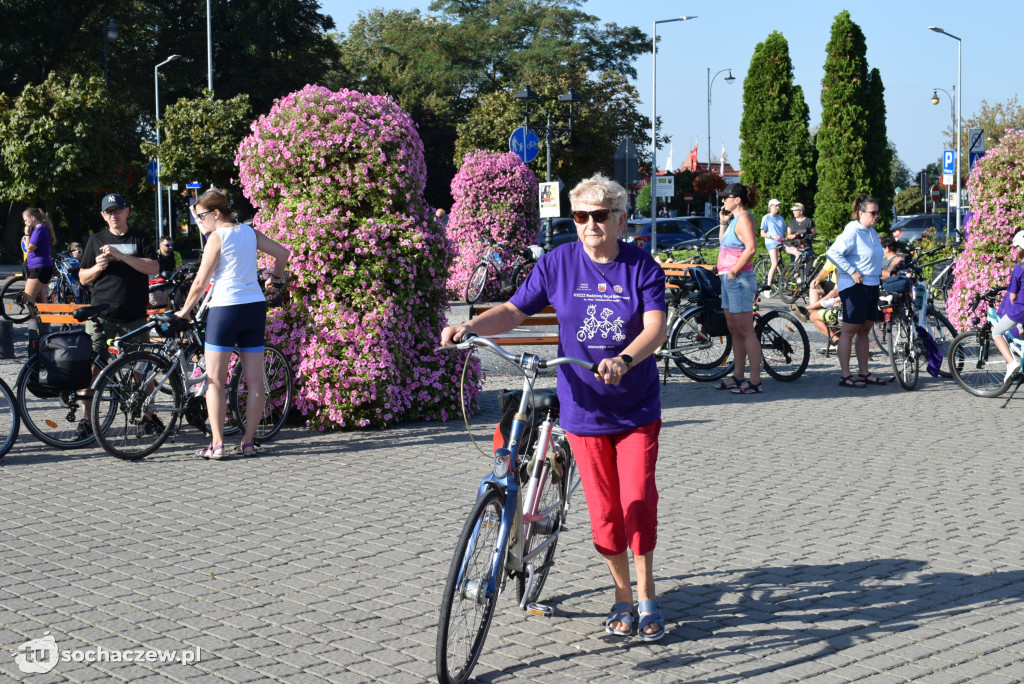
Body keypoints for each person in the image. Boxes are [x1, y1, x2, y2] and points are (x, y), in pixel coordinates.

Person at [440, 173, 669, 641]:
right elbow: (515, 310)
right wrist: (472, 327)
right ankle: (623, 597)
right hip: (583, 409)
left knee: (638, 501)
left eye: (599, 216)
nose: (589, 225)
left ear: (621, 220)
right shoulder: (559, 263)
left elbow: (655, 328)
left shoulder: (642, 267)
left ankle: (648, 594)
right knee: (605, 512)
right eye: (580, 216)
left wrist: (624, 360)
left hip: (634, 409)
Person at [174, 188, 290, 461]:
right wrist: (274, 277)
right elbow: (283, 253)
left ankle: (217, 445)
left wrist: (184, 311)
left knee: (215, 380)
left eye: (201, 217)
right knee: (255, 382)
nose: (199, 223)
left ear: (215, 214)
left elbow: (201, 283)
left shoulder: (217, 238)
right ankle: (248, 443)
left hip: (225, 309)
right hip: (254, 308)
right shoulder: (250, 233)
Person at [77, 194, 160, 437]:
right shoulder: (96, 240)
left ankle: (149, 416)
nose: (114, 215)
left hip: (134, 314)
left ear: (127, 212)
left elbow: (154, 267)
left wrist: (121, 256)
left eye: (118, 210)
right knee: (91, 368)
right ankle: (86, 420)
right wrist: (98, 267)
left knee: (142, 367)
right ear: (103, 216)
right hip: (101, 315)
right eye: (109, 212)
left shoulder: (139, 237)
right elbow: (82, 277)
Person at [826, 195, 886, 387]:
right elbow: (833, 253)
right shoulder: (853, 230)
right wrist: (852, 271)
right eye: (872, 212)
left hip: (871, 285)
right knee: (850, 330)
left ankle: (864, 372)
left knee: (865, 330)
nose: (876, 216)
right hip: (854, 287)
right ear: (861, 213)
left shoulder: (872, 231)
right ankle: (845, 375)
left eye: (878, 212)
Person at [716, 182, 763, 393]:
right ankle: (737, 376)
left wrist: (734, 271)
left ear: (738, 199)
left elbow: (751, 248)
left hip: (739, 279)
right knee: (735, 330)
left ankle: (755, 380)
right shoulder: (735, 220)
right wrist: (723, 223)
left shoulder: (744, 218)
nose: (723, 200)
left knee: (745, 331)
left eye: (726, 197)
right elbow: (724, 243)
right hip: (728, 280)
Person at [991, 231, 1024, 384]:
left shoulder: (1019, 269)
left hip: (1021, 310)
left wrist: (1018, 322)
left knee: (997, 331)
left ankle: (1012, 363)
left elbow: (1012, 297)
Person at [21, 208, 56, 305]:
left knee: (27, 299)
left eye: (26, 220)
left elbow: (30, 248)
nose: (25, 223)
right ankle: (44, 319)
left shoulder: (39, 229)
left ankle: (37, 319)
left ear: (32, 218)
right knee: (42, 300)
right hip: (41, 267)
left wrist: (27, 234)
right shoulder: (41, 229)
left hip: (39, 268)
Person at [759, 198, 786, 290]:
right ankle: (768, 287)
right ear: (770, 207)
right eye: (775, 206)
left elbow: (783, 233)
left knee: (797, 252)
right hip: (771, 242)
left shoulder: (781, 218)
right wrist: (772, 236)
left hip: (780, 242)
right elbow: (762, 233)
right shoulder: (766, 218)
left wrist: (785, 238)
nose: (777, 208)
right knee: (774, 263)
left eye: (778, 206)